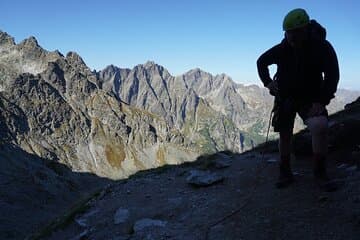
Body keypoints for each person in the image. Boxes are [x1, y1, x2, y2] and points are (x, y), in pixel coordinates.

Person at [256, 8, 339, 188]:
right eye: (288, 33)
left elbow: (332, 76)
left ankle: (320, 173)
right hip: (285, 97)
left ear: (305, 29)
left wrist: (321, 101)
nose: (291, 37)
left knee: (319, 126)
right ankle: (285, 172)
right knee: (285, 133)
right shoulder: (283, 48)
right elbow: (261, 62)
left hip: (311, 98)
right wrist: (268, 83)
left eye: (295, 33)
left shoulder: (321, 47)